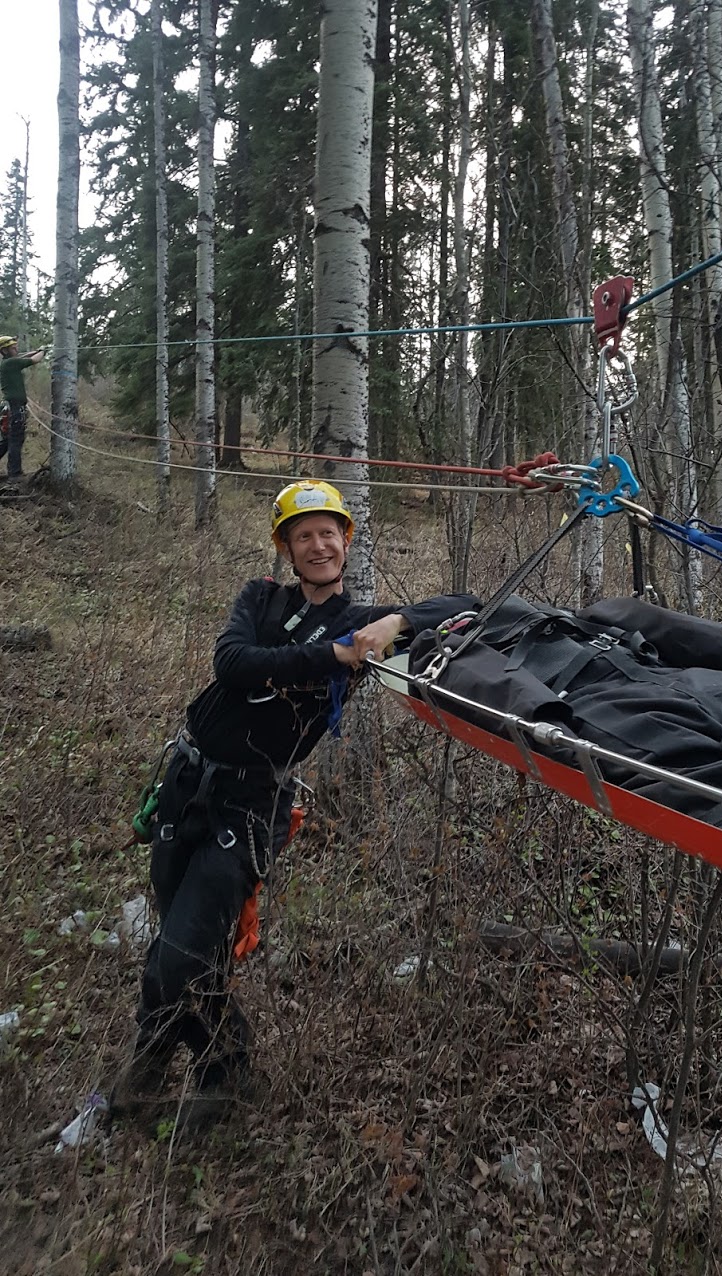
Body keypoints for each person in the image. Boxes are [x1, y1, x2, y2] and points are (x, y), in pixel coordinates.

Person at [111, 479, 477, 1125]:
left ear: (345, 542)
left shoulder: (366, 626)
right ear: (285, 547)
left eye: (328, 533)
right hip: (187, 783)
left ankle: (202, 1071)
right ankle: (186, 1071)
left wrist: (400, 621)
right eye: (303, 535)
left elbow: (470, 606)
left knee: (177, 956)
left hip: (250, 805)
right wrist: (330, 656)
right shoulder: (261, 597)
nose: (317, 545)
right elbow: (233, 662)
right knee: (181, 944)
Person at [0, 335, 46, 478]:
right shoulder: (10, 363)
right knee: (15, 439)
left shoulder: (8, 362)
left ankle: (14, 472)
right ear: (5, 351)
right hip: (14, 407)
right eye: (13, 348)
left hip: (10, 406)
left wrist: (36, 350)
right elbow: (34, 360)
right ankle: (14, 474)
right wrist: (44, 351)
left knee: (8, 440)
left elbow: (23, 356)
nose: (16, 349)